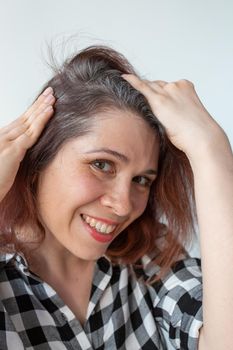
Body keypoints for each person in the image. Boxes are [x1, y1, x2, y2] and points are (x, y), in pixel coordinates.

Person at [0, 45, 232, 350]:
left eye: (141, 180)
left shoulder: (151, 255)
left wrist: (211, 150)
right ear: (36, 161)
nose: (123, 205)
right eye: (102, 165)